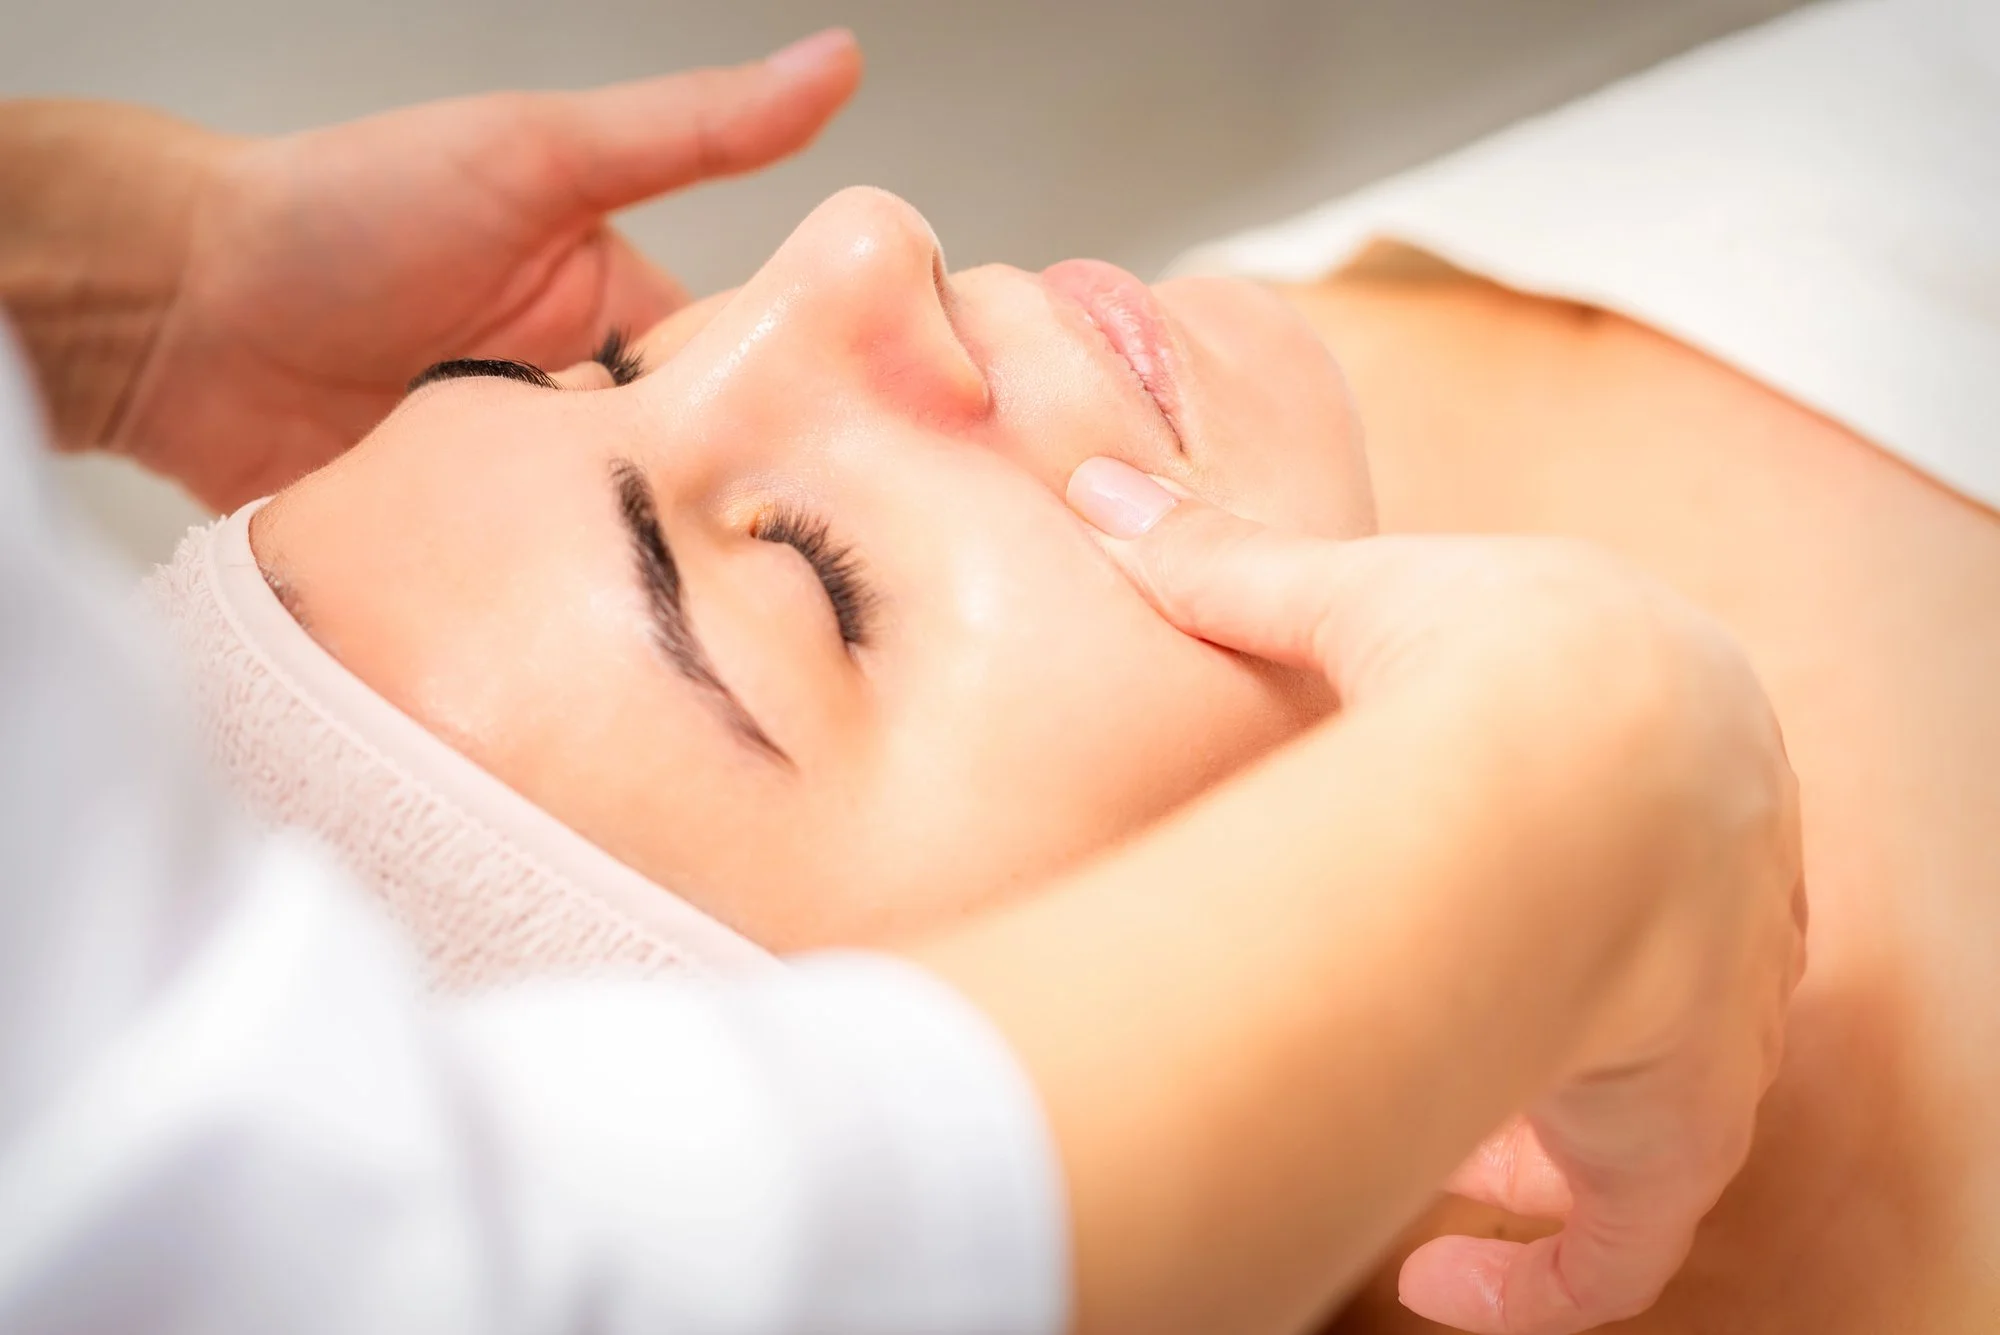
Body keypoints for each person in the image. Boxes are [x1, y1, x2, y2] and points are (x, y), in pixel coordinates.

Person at [126, 0, 1999, 1330]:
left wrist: (129, 292)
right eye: (815, 578)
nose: (858, 244)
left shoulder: (1289, 421)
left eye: (612, 368)